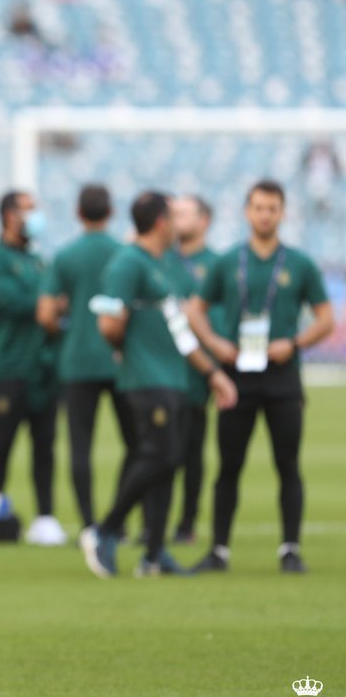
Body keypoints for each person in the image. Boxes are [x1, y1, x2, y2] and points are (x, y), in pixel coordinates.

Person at [81, 193, 237, 578]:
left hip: (175, 376)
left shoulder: (163, 265)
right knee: (160, 456)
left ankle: (154, 554)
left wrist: (212, 372)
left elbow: (180, 329)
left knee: (170, 463)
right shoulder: (128, 263)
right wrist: (128, 349)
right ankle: (106, 528)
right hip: (146, 378)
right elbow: (107, 322)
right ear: (161, 223)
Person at [187, 180, 335, 574]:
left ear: (282, 213)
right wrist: (216, 344)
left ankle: (290, 548)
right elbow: (195, 309)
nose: (265, 214)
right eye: (258, 207)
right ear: (246, 212)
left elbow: (326, 318)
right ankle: (219, 550)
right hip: (237, 375)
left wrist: (295, 342)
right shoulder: (228, 261)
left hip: (283, 376)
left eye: (272, 208)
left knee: (287, 463)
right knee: (228, 466)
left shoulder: (299, 264)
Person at [37, 184, 133, 534]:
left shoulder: (65, 256)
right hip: (120, 359)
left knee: (80, 446)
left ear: (78, 213)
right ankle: (118, 519)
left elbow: (45, 314)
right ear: (111, 212)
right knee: (136, 444)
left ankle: (90, 523)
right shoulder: (124, 254)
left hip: (76, 361)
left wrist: (66, 322)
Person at [0, 192, 63, 545]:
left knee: (45, 445)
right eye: (28, 209)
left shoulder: (40, 261)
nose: (35, 215)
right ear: (9, 216)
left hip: (44, 368)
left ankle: (45, 516)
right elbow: (15, 303)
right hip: (10, 365)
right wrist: (50, 304)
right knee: (1, 442)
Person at [160, 195, 220, 544]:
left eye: (183, 212)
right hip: (160, 370)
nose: (175, 219)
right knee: (156, 451)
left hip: (196, 374)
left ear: (204, 220)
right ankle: (156, 522)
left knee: (192, 452)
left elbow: (217, 316)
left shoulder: (216, 264)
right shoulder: (160, 260)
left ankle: (187, 522)